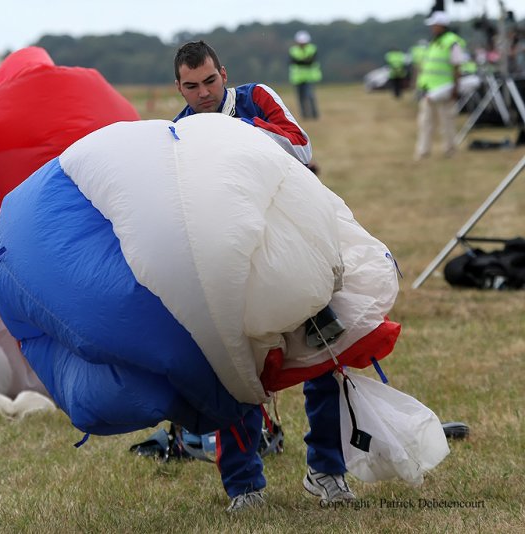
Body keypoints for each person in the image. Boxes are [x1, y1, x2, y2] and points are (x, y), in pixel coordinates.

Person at [173, 40, 354, 512]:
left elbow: (300, 145)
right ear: (179, 87)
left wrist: (236, 131)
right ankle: (245, 487)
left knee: (324, 362)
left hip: (292, 251)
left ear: (223, 73)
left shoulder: (255, 99)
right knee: (235, 374)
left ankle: (328, 472)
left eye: (210, 80)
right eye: (192, 86)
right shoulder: (176, 134)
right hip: (229, 268)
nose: (204, 92)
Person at [414, 11, 469, 161]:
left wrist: (455, 89)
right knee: (425, 122)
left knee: (447, 122)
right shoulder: (434, 42)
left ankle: (450, 149)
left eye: (434, 25)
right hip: (430, 89)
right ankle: (423, 151)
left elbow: (457, 67)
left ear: (442, 25)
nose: (432, 27)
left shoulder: (452, 42)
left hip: (446, 89)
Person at [288, 31, 322, 120]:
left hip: (309, 77)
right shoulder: (293, 50)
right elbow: (294, 61)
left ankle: (314, 114)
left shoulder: (312, 49)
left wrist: (301, 61)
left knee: (310, 96)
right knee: (300, 98)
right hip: (298, 78)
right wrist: (304, 61)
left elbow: (309, 62)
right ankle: (304, 116)